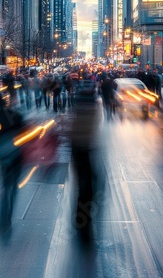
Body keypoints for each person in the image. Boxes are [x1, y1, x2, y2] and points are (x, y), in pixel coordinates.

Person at [0, 95, 25, 234]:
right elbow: (23, 129)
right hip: (16, 153)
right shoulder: (17, 115)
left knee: (4, 185)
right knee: (14, 186)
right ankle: (9, 213)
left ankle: (3, 215)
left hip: (2, 154)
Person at [70, 80, 100, 243]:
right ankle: (83, 224)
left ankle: (80, 221)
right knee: (88, 188)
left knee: (84, 187)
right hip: (84, 148)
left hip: (78, 148)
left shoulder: (80, 103)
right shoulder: (90, 105)